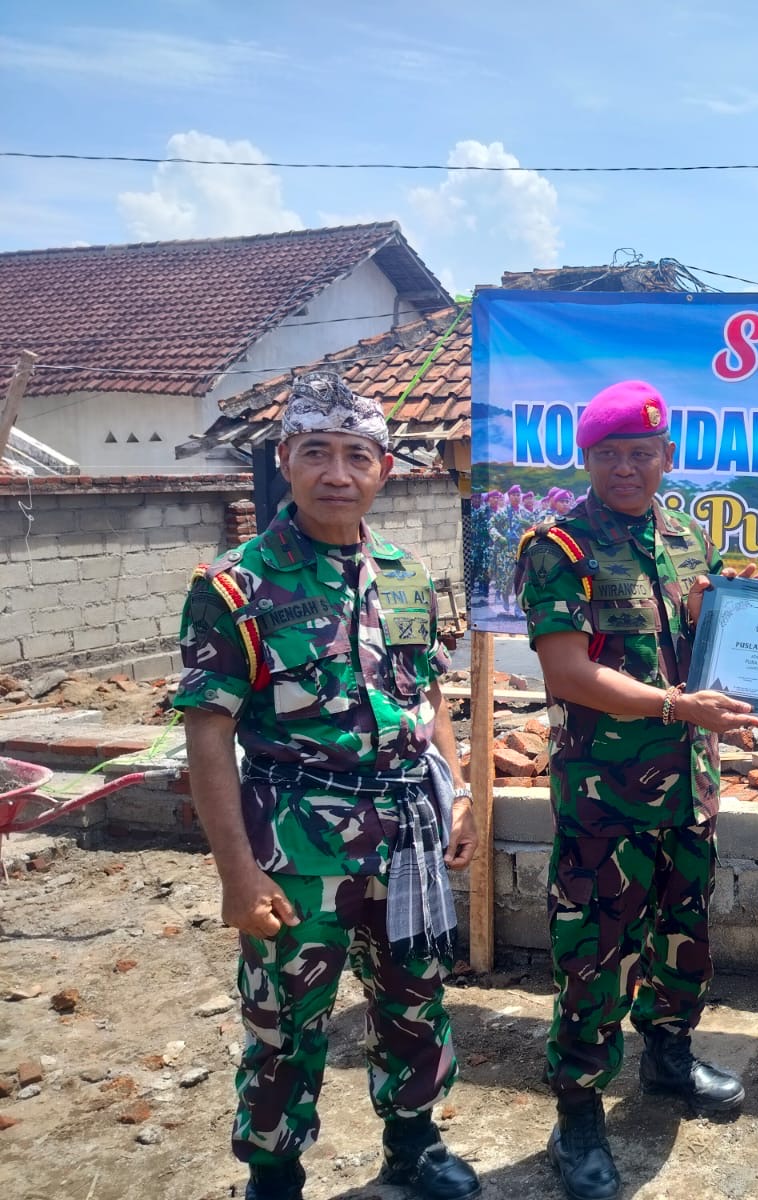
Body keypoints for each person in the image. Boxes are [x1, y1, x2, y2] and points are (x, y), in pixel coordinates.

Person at [175, 374, 480, 1200]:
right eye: (317, 453)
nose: (337, 473)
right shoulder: (235, 584)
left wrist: (457, 795)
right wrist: (237, 875)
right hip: (296, 844)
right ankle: (274, 1174)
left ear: (384, 468)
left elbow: (428, 694)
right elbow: (208, 734)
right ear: (286, 460)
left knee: (416, 996)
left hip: (407, 835)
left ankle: (413, 1144)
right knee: (284, 1020)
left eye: (356, 455)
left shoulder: (407, 574)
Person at [517, 380, 758, 1200]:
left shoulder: (687, 540)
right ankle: (578, 1111)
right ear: (587, 459)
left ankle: (668, 1057)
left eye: (642, 453)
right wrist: (674, 706)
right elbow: (567, 672)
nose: (626, 468)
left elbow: (706, 653)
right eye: (610, 454)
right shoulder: (560, 548)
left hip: (689, 790)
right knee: (593, 955)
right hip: (607, 801)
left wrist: (743, 619)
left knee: (682, 937)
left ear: (667, 455)